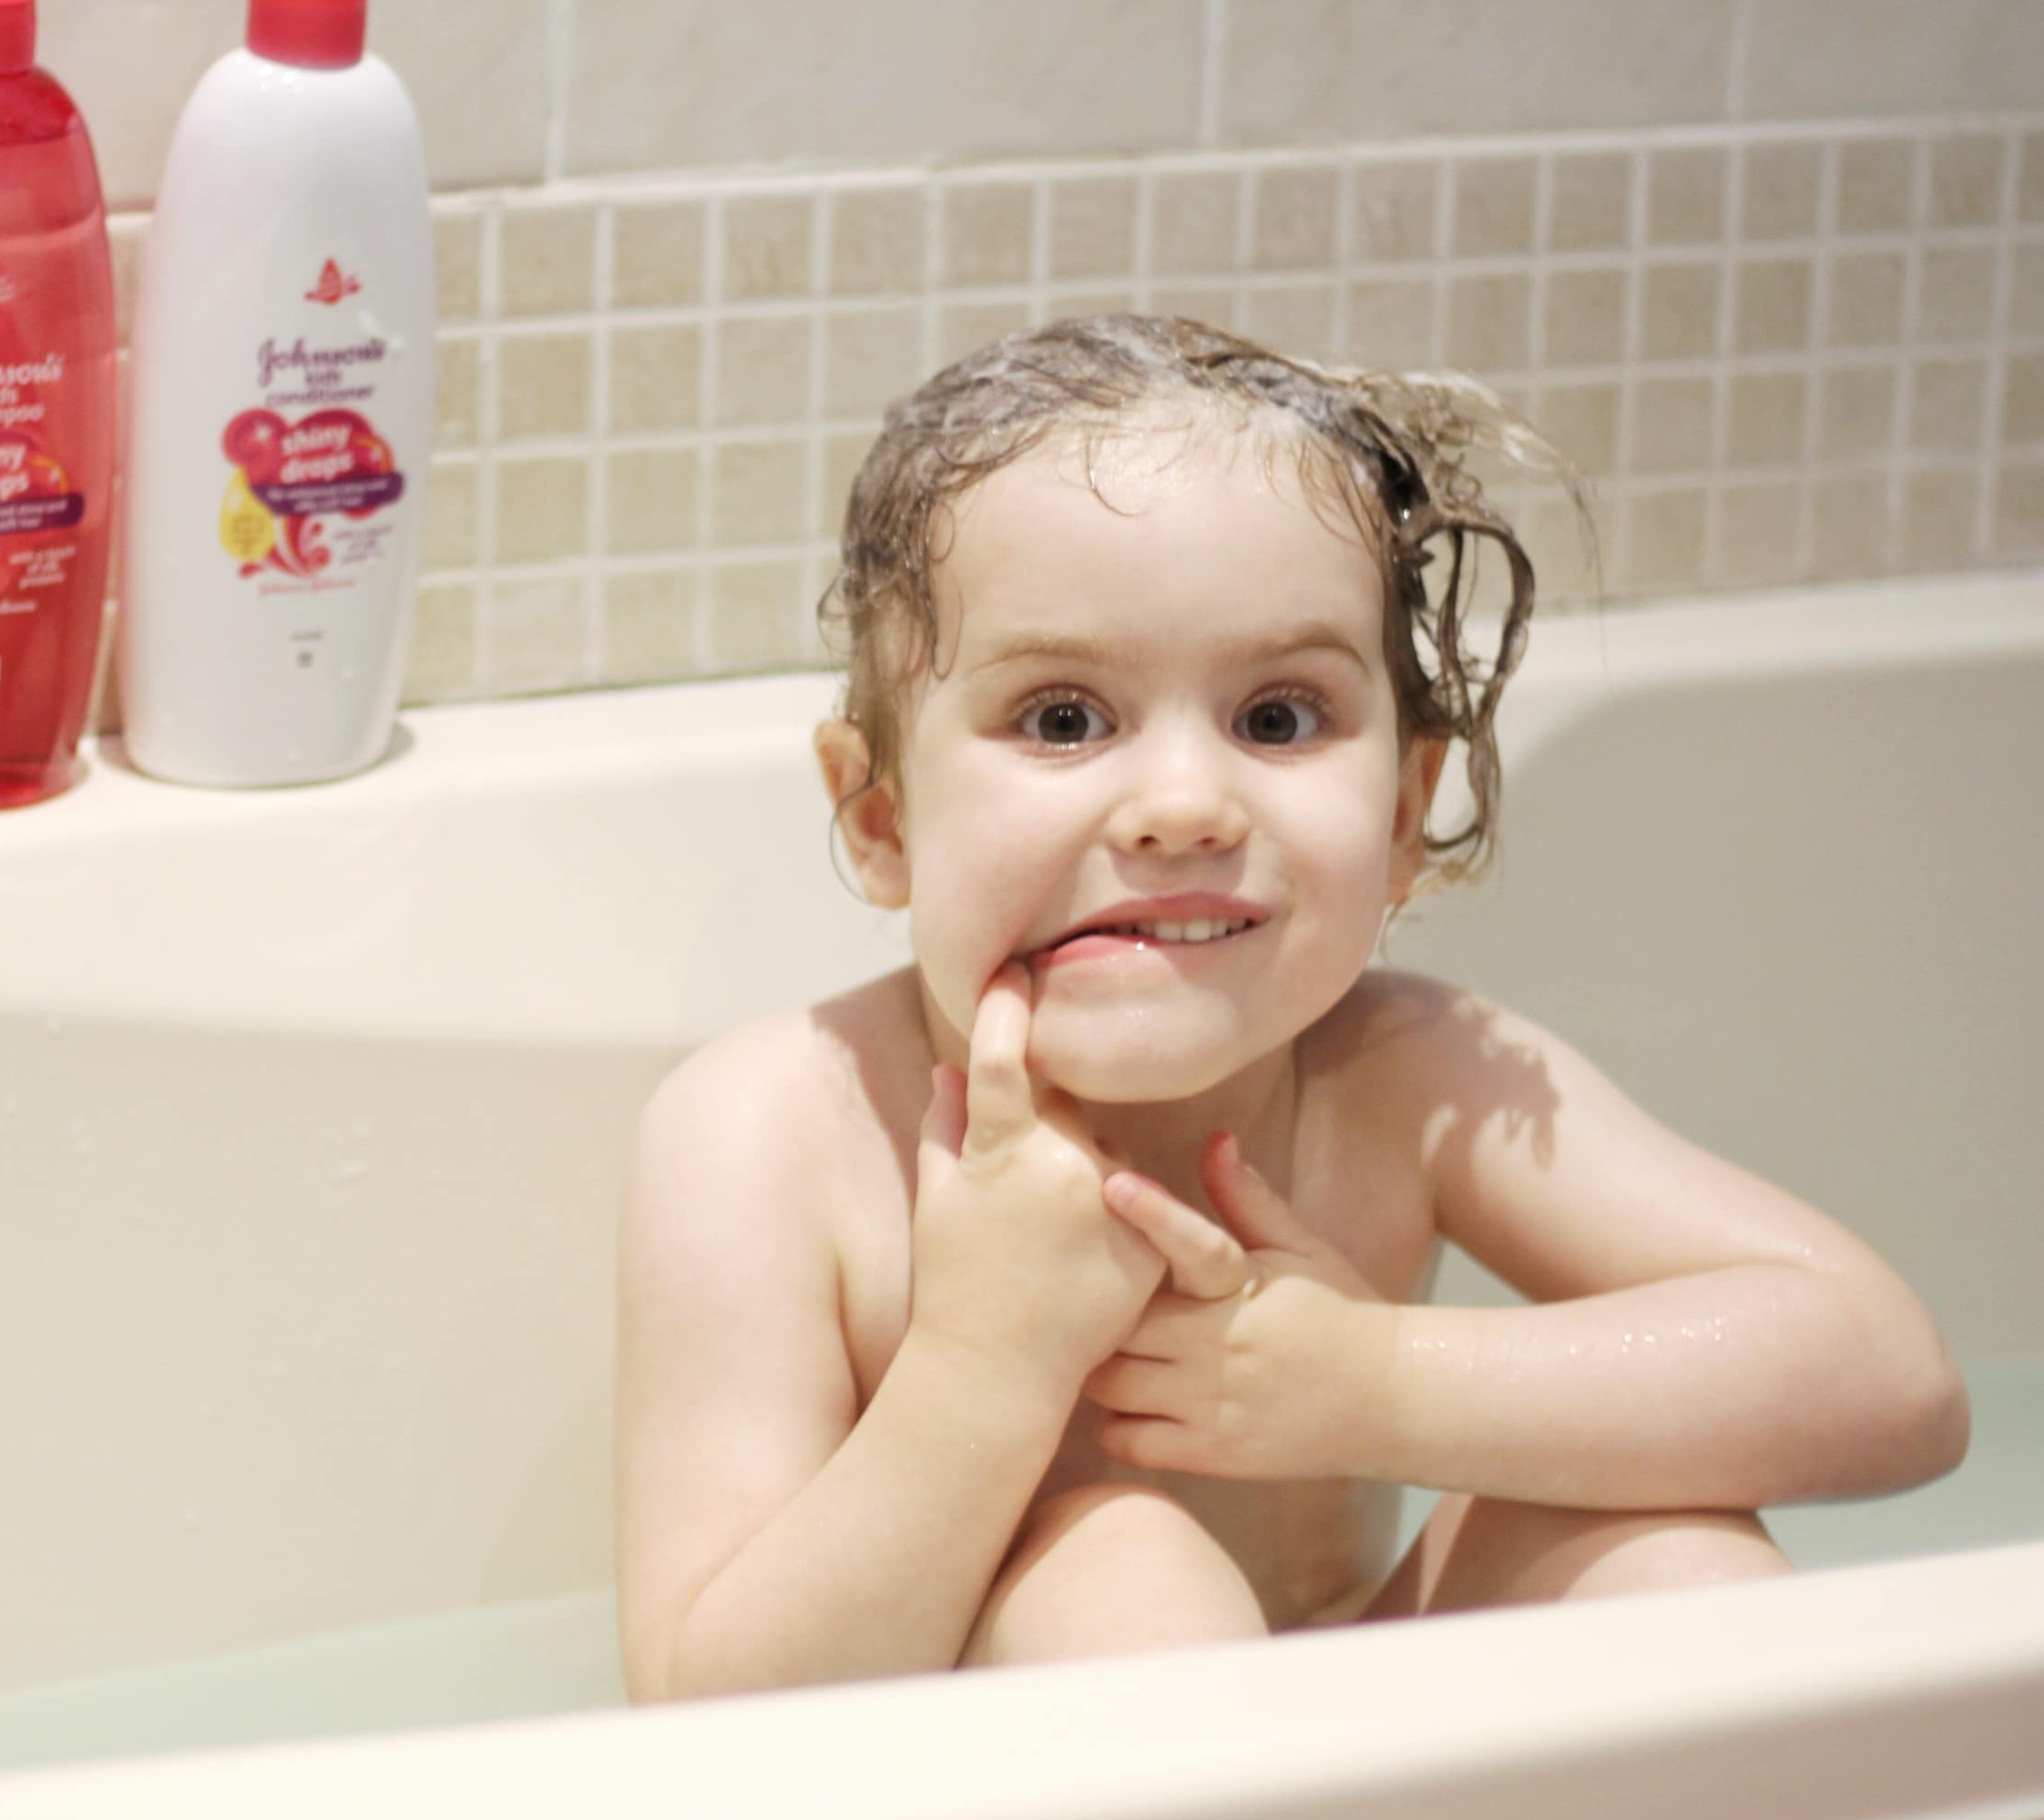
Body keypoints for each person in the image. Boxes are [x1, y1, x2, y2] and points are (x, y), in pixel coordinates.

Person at [613, 315, 1967, 1701]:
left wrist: (1376, 1383)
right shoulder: (778, 1131)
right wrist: (980, 1369)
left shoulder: (1405, 1073)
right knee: (1119, 1571)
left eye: (1278, 717)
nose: (1187, 806)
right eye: (1065, 718)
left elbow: (1892, 1383)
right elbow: (700, 1714)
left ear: (1399, 811)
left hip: (1348, 1804)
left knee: (1672, 1562)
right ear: (880, 812)